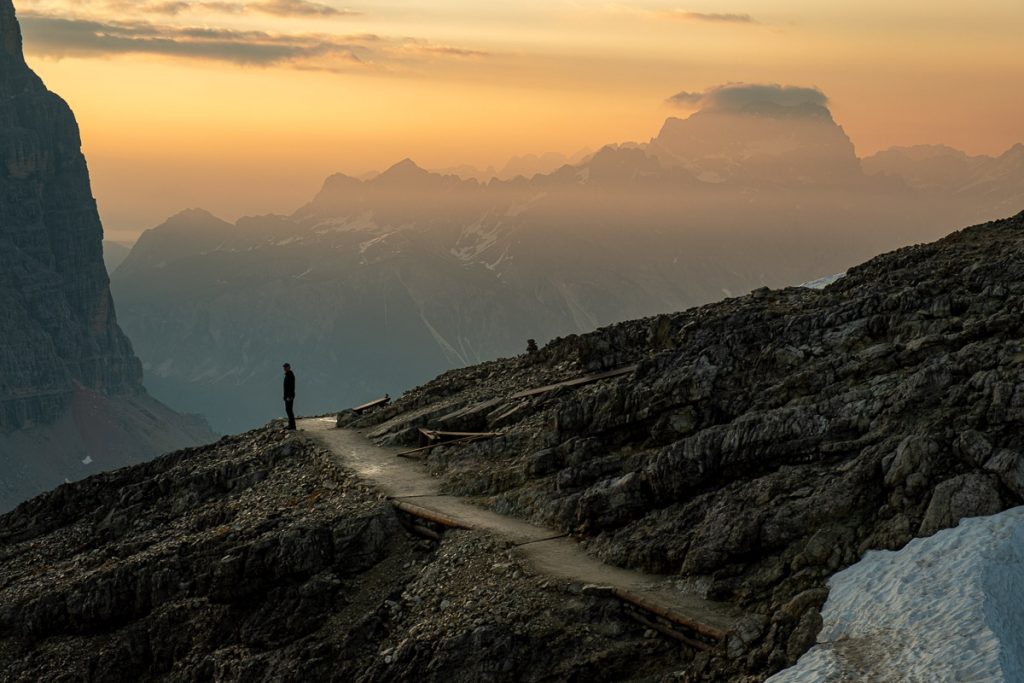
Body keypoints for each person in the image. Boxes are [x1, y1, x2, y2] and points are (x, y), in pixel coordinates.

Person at [283, 363, 296, 430]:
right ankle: (291, 424)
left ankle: (292, 425)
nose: (284, 368)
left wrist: (289, 396)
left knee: (289, 410)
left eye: (286, 367)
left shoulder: (290, 375)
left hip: (289, 397)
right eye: (284, 367)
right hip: (287, 396)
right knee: (288, 410)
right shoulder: (287, 375)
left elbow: (291, 387)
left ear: (289, 367)